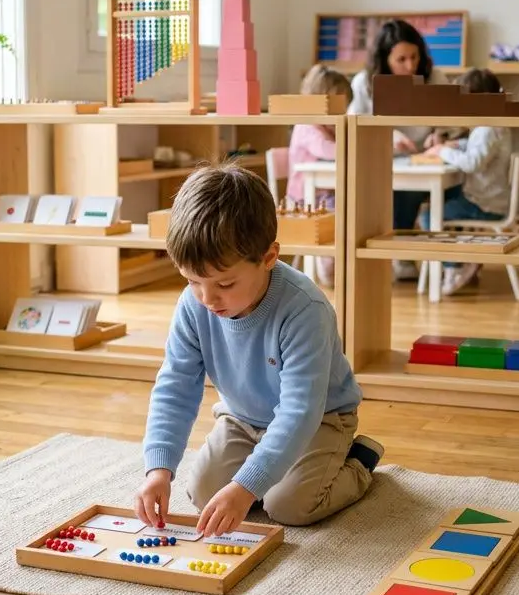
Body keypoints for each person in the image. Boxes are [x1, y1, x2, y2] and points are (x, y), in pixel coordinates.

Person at [135, 163, 383, 534]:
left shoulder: (304, 309)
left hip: (320, 419)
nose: (207, 298)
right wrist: (159, 469)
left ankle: (359, 461)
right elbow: (175, 387)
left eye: (225, 283)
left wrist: (246, 487)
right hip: (242, 419)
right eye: (192, 281)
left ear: (268, 258)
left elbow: (300, 412)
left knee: (289, 505)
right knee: (204, 492)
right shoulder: (194, 304)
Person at [347, 19, 436, 279]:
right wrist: (388, 134)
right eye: (401, 60)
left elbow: (450, 121)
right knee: (382, 188)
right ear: (385, 60)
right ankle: (382, 257)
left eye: (414, 57)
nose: (411, 66)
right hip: (381, 160)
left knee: (408, 189)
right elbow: (354, 126)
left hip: (423, 161)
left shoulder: (433, 77)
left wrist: (438, 135)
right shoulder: (364, 83)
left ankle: (403, 256)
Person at [426, 68, 514, 295]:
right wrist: (456, 146)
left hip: (484, 203)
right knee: (443, 201)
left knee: (430, 215)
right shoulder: (493, 125)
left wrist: (443, 150)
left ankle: (454, 267)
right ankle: (465, 260)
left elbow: (473, 163)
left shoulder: (486, 129)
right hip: (488, 198)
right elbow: (480, 152)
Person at [287, 65, 352, 287]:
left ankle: (340, 260)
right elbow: (326, 149)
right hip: (304, 201)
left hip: (325, 194)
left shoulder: (326, 126)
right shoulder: (308, 126)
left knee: (351, 207)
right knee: (340, 213)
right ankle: (328, 262)